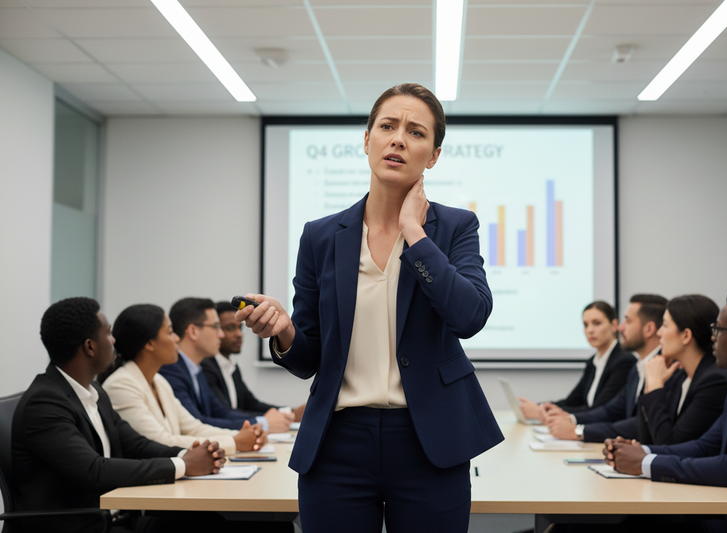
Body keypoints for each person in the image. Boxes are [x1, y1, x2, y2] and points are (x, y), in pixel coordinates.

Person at [236, 82, 504, 533]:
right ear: (367, 140)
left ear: (433, 156)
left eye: (416, 132)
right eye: (387, 126)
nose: (399, 138)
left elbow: (470, 316)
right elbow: (309, 359)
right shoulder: (321, 236)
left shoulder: (455, 226)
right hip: (338, 443)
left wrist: (414, 234)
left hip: (429, 439)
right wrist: (284, 331)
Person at [11, 297, 225, 533]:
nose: (114, 341)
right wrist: (182, 465)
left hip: (117, 520)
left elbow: (136, 445)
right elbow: (95, 471)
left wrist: (188, 454)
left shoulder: (96, 393)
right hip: (82, 526)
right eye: (109, 333)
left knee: (210, 521)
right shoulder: (44, 403)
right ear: (90, 346)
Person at [605, 288, 727, 532]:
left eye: (719, 329)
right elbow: (705, 446)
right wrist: (640, 450)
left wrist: (646, 463)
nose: (713, 337)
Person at [104, 303, 266, 455]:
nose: (176, 338)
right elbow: (160, 442)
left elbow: (195, 428)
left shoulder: (159, 382)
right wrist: (234, 442)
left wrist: (244, 435)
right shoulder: (121, 385)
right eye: (169, 332)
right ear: (150, 344)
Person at [543, 294, 667, 442]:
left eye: (627, 321)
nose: (621, 327)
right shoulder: (638, 367)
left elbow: (640, 424)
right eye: (586, 325)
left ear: (649, 329)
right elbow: (612, 409)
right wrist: (569, 418)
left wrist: (578, 430)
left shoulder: (665, 368)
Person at [159, 297, 294, 432]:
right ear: (193, 331)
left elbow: (221, 412)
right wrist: (263, 423)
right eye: (215, 327)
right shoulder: (172, 370)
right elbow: (196, 423)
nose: (221, 334)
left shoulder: (196, 370)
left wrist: (266, 420)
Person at [637, 295, 727, 445]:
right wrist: (650, 387)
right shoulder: (681, 377)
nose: (659, 333)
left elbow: (669, 444)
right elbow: (650, 441)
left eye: (665, 325)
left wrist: (655, 385)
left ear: (686, 335)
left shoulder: (715, 382)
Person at [518, 301, 636, 420]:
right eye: (585, 325)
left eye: (597, 323)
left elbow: (600, 409)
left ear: (614, 325)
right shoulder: (593, 361)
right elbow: (573, 401)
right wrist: (541, 407)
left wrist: (542, 412)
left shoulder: (623, 361)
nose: (590, 330)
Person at [201, 300, 305, 421]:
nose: (239, 334)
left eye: (240, 328)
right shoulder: (205, 366)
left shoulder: (231, 365)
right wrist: (274, 420)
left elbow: (250, 403)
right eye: (230, 328)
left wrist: (289, 412)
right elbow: (223, 413)